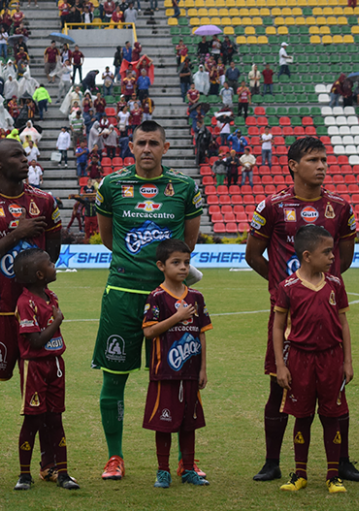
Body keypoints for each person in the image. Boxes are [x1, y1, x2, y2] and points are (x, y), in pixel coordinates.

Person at [245, 137, 359, 483]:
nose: (322, 166)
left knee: (335, 388)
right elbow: (253, 255)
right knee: (278, 386)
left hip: (326, 312)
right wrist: (288, 289)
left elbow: (345, 255)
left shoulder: (340, 207)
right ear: (293, 165)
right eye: (313, 160)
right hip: (288, 315)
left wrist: (324, 288)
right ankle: (272, 462)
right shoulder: (271, 206)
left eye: (324, 160)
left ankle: (341, 461)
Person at [92, 121, 204, 480]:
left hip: (171, 300)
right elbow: (109, 239)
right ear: (130, 145)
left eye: (154, 143)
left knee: (182, 379)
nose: (147, 149)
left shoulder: (185, 188)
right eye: (141, 142)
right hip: (123, 294)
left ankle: (186, 461)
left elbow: (186, 245)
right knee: (114, 379)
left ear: (166, 147)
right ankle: (115, 457)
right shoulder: (111, 186)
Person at [0, 139, 62, 488]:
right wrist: (17, 235)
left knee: (47, 390)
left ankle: (50, 464)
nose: (26, 160)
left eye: (25, 154)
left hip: (37, 312)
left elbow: (52, 253)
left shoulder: (45, 201)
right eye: (17, 156)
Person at [274, 225, 353, 494]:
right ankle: (300, 473)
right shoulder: (288, 287)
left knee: (332, 416)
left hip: (331, 359)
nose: (333, 256)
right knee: (302, 416)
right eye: (327, 252)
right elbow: (277, 327)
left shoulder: (335, 284)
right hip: (299, 359)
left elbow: (344, 323)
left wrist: (347, 362)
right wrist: (280, 365)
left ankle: (333, 475)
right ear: (307, 256)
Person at [142, 239, 211, 488]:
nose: (183, 268)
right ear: (161, 265)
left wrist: (203, 368)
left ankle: (189, 469)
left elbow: (201, 333)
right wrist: (177, 317)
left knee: (189, 423)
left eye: (187, 263)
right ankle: (163, 471)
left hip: (191, 372)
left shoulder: (196, 297)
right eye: (176, 263)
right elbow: (149, 332)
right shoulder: (157, 297)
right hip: (166, 373)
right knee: (164, 422)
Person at [12, 249, 80, 491]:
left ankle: (63, 473)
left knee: (55, 419)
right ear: (40, 274)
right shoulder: (25, 302)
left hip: (56, 365)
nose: (55, 265)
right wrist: (58, 321)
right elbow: (36, 341)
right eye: (50, 263)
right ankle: (24, 475)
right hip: (35, 367)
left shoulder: (51, 296)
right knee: (32, 420)